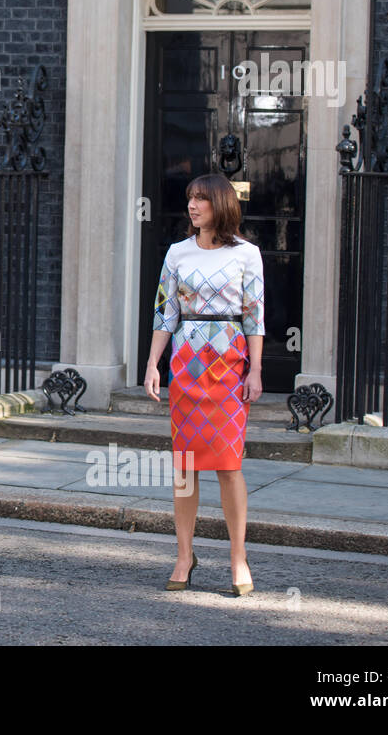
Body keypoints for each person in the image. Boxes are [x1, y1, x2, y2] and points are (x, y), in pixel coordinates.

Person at [144, 173, 264, 596]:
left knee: (229, 466)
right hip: (187, 365)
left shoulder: (247, 254)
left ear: (221, 204)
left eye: (201, 199)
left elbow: (254, 316)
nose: (192, 206)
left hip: (229, 364)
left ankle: (238, 557)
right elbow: (165, 312)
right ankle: (183, 555)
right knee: (185, 467)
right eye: (190, 199)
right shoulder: (177, 253)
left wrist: (255, 369)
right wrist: (153, 364)